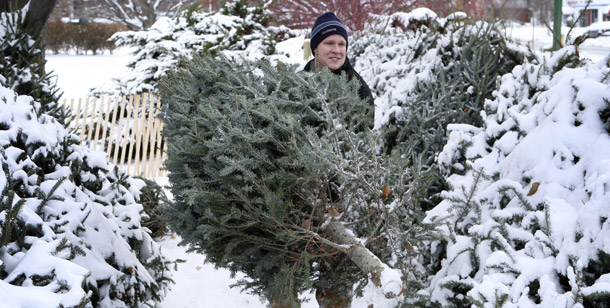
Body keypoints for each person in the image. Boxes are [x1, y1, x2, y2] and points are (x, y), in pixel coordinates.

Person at [304, 12, 374, 104]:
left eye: (341, 44)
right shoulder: (296, 84)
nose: (336, 50)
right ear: (315, 49)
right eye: (329, 43)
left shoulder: (359, 91)